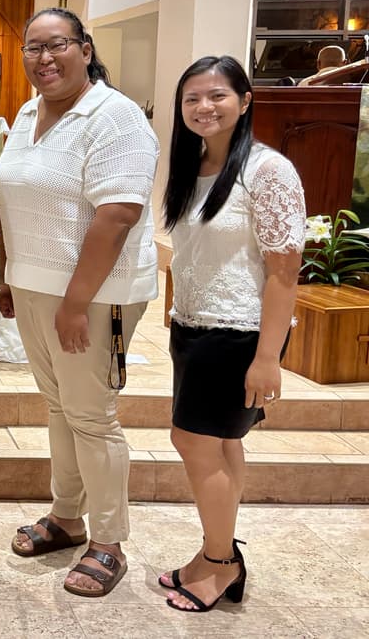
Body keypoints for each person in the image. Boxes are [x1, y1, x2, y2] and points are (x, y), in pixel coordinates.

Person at [0, 7, 158, 598]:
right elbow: (13, 199)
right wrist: (9, 275)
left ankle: (109, 541)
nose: (44, 59)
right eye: (33, 49)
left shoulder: (115, 117)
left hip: (94, 296)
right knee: (58, 408)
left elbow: (116, 217)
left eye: (56, 45)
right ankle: (66, 517)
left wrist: (73, 303)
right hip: (36, 285)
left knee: (92, 415)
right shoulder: (27, 112)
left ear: (85, 49)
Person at [158, 55, 304, 612]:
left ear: (245, 101)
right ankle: (216, 553)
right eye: (192, 97)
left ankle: (220, 563)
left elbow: (284, 269)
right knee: (220, 443)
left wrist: (269, 358)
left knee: (193, 441)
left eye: (217, 96)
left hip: (238, 331)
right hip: (193, 324)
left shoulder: (267, 171)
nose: (203, 107)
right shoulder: (193, 166)